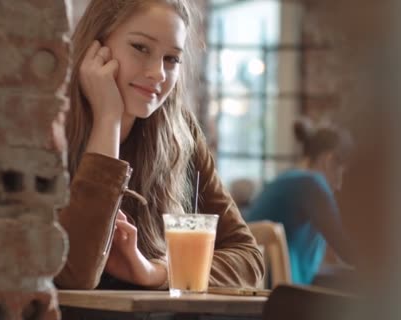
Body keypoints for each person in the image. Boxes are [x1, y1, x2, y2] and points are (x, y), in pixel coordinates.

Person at [54, 0, 264, 290]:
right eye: (141, 48)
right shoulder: (48, 127)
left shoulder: (180, 133)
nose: (158, 73)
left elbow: (249, 258)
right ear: (96, 46)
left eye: (172, 59)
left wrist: (156, 272)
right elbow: (74, 276)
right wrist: (108, 118)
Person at [246, 120, 355, 285]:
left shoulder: (286, 179)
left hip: (262, 291)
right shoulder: (312, 184)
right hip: (281, 295)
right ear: (329, 160)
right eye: (342, 173)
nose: (339, 185)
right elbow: (348, 250)